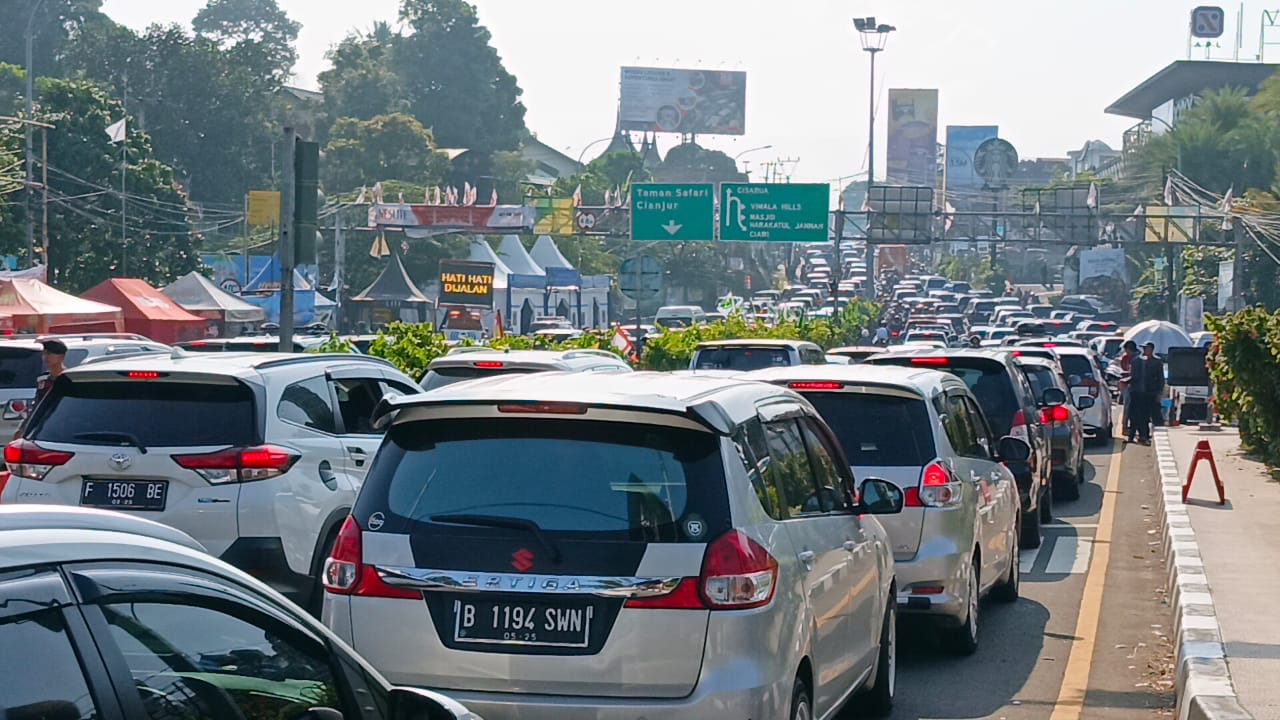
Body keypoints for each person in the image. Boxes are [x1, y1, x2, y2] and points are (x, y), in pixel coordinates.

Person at [1127, 341, 1165, 445]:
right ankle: (1135, 435)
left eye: (1147, 348)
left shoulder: (1157, 362)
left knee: (1150, 415)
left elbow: (1160, 379)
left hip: (1150, 393)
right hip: (1137, 393)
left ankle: (1146, 435)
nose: (1145, 350)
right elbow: (1133, 376)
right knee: (1135, 415)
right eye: (1144, 348)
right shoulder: (1136, 361)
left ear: (1151, 350)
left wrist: (1159, 393)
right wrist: (1127, 381)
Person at [1117, 340, 1137, 439]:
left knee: (1134, 409)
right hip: (1126, 386)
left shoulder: (1138, 358)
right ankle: (1124, 428)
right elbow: (1123, 368)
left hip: (1136, 386)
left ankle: (1134, 429)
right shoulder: (1125, 358)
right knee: (1126, 407)